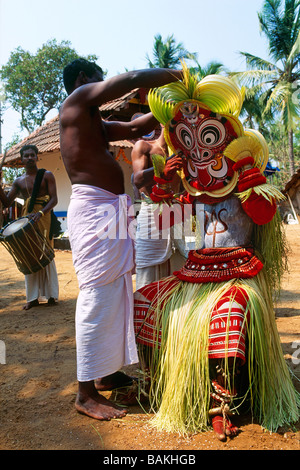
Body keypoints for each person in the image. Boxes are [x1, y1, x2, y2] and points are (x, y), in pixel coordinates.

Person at [133, 68, 300, 441]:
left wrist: (250, 178)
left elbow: (264, 214)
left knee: (229, 311)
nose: (201, 151)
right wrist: (165, 183)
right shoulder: (192, 188)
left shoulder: (244, 175)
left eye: (207, 136)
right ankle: (161, 383)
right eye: (187, 140)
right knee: (144, 299)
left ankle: (221, 402)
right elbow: (166, 216)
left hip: (239, 272)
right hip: (197, 272)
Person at [59, 58, 183, 421]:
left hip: (109, 212)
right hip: (95, 212)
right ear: (84, 79)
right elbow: (131, 79)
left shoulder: (93, 120)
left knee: (115, 291)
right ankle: (84, 393)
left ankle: (105, 373)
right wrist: (180, 76)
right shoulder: (78, 102)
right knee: (98, 293)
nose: (103, 85)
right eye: (98, 79)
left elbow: (134, 125)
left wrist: (169, 110)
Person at [0, 144, 59, 310]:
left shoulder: (47, 175)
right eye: (26, 156)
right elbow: (6, 202)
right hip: (27, 220)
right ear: (22, 159)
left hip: (44, 217)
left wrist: (40, 213)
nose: (30, 158)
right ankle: (32, 298)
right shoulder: (19, 181)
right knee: (28, 252)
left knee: (45, 252)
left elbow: (54, 199)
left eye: (32, 155)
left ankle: (51, 295)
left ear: (37, 157)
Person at [131, 125, 185, 290]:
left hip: (181, 211)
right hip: (151, 211)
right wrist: (161, 168)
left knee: (186, 265)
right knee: (147, 273)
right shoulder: (144, 146)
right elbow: (137, 180)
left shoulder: (186, 151)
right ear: (161, 122)